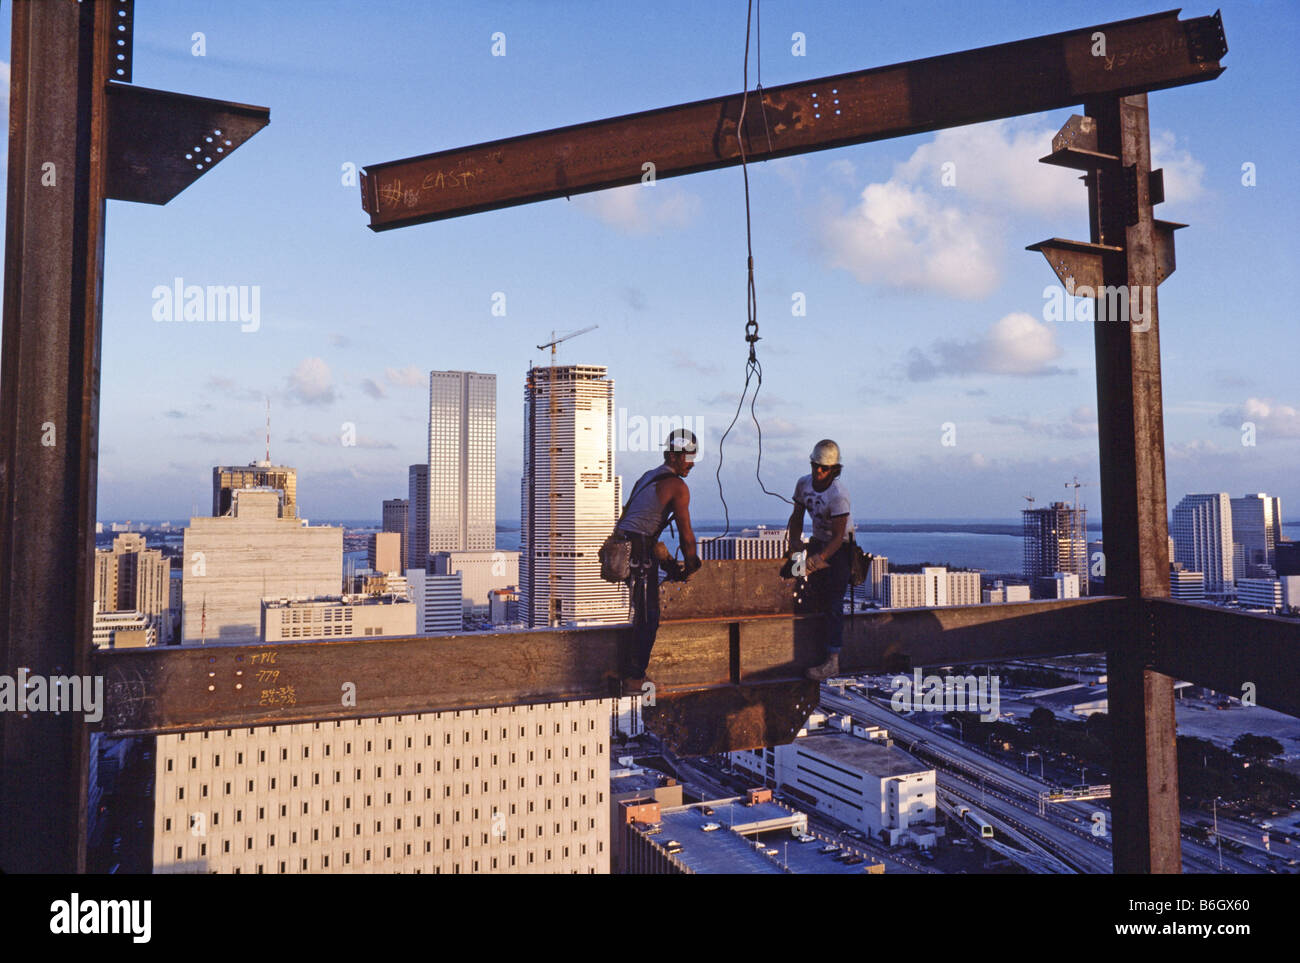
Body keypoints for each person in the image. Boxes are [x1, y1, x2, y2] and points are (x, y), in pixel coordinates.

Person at [616, 428, 702, 694]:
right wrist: (691, 564)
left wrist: (665, 562)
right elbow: (687, 536)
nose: (691, 463)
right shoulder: (677, 486)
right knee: (648, 617)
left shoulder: (647, 477)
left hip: (628, 546)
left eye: (693, 458)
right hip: (638, 551)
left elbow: (633, 517)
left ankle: (634, 671)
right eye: (687, 457)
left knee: (644, 612)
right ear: (673, 457)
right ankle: (634, 677)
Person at [786, 439, 852, 681]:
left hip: (840, 549)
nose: (818, 471)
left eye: (824, 468)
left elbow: (837, 537)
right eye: (816, 466)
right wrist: (794, 544)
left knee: (833, 603)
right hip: (816, 542)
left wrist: (817, 561)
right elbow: (797, 515)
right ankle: (806, 650)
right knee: (802, 588)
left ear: (833, 470)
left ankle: (832, 660)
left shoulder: (838, 495)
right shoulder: (804, 484)